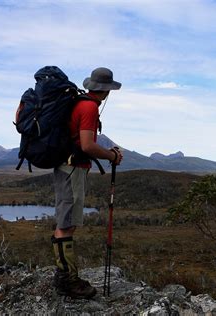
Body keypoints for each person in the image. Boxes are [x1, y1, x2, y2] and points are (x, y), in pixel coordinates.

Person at [51, 67, 123, 299]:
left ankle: (65, 276)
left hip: (66, 166)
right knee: (67, 223)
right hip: (72, 169)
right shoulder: (90, 107)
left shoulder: (78, 102)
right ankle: (67, 281)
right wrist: (111, 156)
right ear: (106, 90)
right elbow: (87, 145)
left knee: (66, 220)